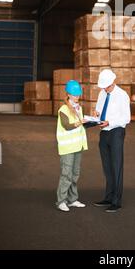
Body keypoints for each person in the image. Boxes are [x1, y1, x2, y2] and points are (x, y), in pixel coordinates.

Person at [93, 69, 131, 213]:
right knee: (107, 166)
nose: (104, 89)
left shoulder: (122, 95)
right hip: (104, 133)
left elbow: (126, 118)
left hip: (116, 132)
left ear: (113, 82)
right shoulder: (102, 93)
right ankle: (108, 197)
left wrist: (110, 122)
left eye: (107, 86)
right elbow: (98, 109)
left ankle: (116, 201)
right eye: (103, 86)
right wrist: (96, 114)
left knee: (116, 167)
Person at [56, 80, 87, 212]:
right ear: (68, 94)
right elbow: (67, 126)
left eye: (78, 94)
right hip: (67, 148)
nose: (77, 97)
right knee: (66, 175)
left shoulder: (79, 108)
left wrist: (93, 120)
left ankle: (72, 199)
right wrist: (79, 122)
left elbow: (82, 125)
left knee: (75, 175)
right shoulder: (63, 109)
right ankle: (61, 201)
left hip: (78, 146)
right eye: (74, 95)